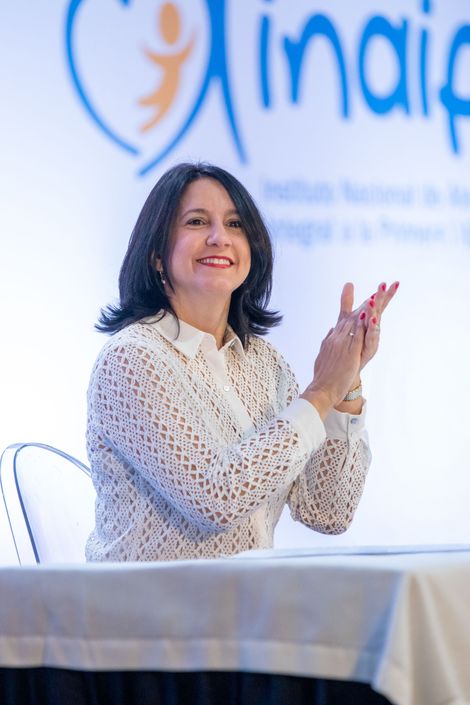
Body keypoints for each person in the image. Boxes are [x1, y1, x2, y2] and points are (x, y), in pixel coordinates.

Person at [86, 162, 398, 562]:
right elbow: (216, 497)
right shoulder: (131, 359)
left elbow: (327, 511)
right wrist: (320, 392)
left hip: (245, 612)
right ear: (157, 256)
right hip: (150, 618)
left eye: (235, 225)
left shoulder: (266, 364)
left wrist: (346, 385)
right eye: (197, 222)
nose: (220, 238)